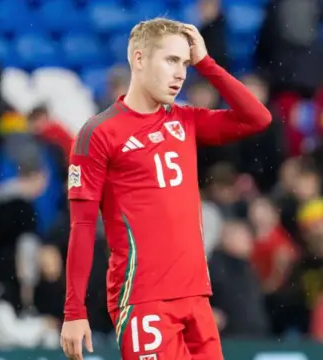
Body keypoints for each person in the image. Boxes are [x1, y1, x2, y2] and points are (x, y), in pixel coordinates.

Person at [60, 18, 271, 360]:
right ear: (139, 59)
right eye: (172, 60)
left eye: (186, 64)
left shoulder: (184, 119)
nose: (182, 73)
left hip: (196, 297)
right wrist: (74, 311)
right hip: (144, 298)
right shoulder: (98, 133)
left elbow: (257, 118)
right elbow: (82, 226)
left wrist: (207, 63)